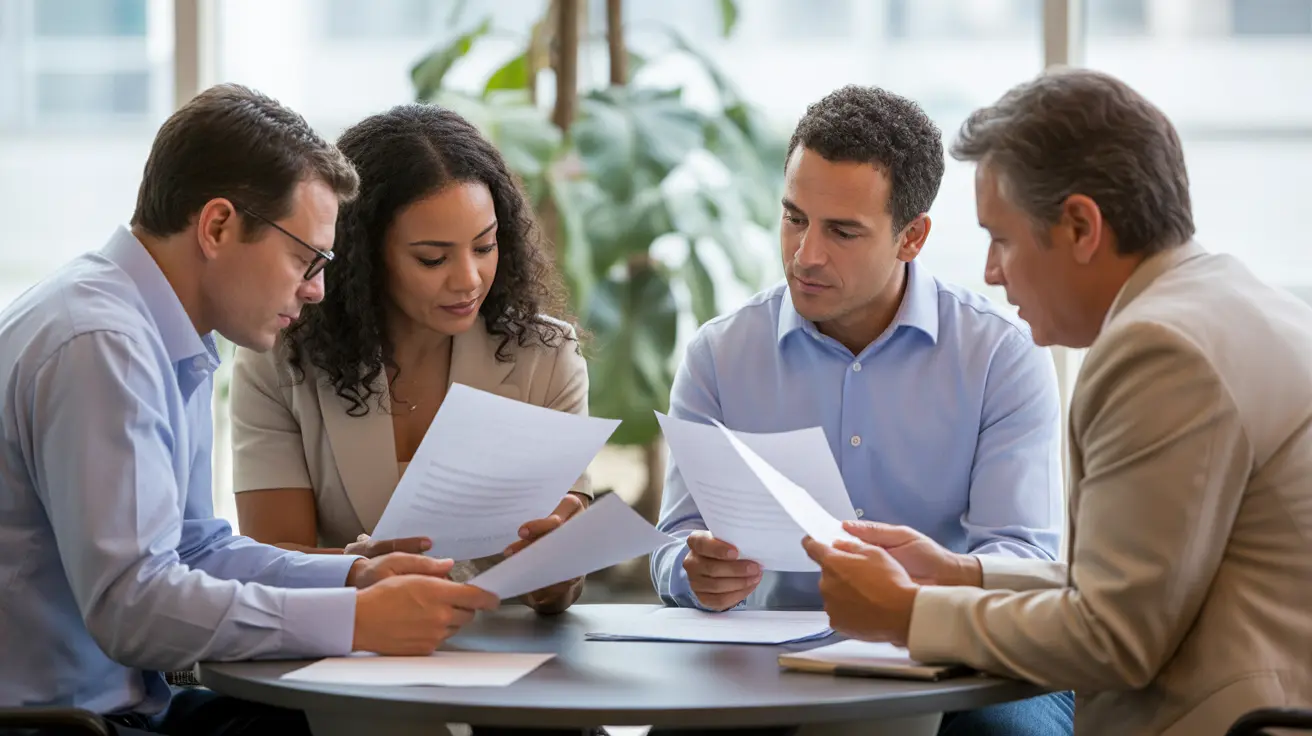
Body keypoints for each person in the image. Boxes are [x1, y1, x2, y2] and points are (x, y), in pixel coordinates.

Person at [802, 68, 1312, 735]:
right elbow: (1136, 587)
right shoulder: (1236, 302)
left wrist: (906, 613)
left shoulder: (1160, 349)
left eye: (1002, 238)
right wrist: (959, 574)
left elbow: (1113, 637)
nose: (990, 271)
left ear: (1079, 226)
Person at [0, 84, 501, 735]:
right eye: (305, 258)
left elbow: (194, 548)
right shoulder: (103, 344)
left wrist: (352, 578)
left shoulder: (164, 332)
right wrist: (360, 621)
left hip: (111, 712)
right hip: (54, 727)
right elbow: (132, 607)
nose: (317, 290)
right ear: (217, 227)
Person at [651, 85, 1074, 734]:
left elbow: (1018, 553)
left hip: (959, 658)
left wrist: (919, 589)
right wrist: (694, 570)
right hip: (775, 663)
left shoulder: (999, 357)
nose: (805, 255)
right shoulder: (719, 354)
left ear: (912, 237)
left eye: (842, 231)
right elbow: (674, 541)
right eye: (794, 217)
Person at [229, 102, 590, 616]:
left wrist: (556, 571)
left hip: (506, 660)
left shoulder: (545, 356)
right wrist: (357, 571)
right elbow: (269, 561)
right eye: (432, 258)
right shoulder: (279, 361)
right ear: (363, 255)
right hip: (342, 657)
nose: (467, 279)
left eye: (485, 246)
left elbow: (560, 584)